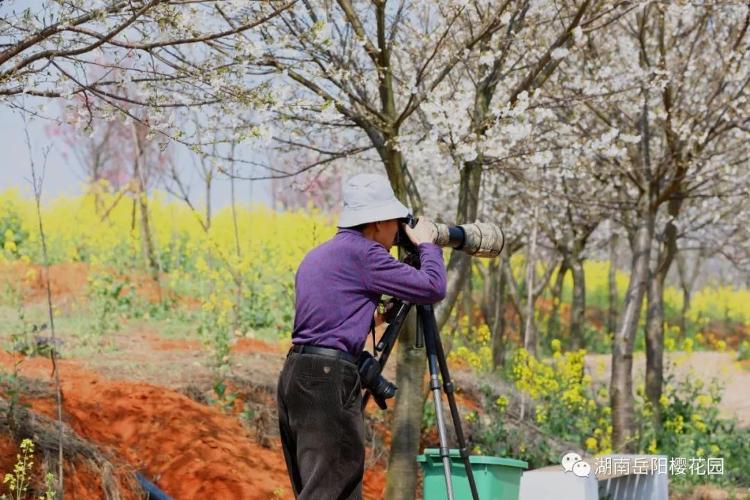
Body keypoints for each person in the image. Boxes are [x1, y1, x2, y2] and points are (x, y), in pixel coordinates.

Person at [277, 173, 447, 499]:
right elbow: (433, 287)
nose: (397, 231)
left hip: (295, 377)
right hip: (327, 381)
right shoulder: (366, 254)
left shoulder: (318, 256)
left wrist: (381, 315)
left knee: (321, 489)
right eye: (395, 221)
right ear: (378, 221)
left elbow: (328, 321)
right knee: (330, 493)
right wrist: (428, 244)